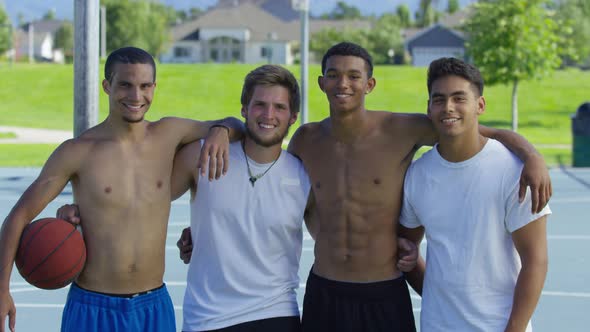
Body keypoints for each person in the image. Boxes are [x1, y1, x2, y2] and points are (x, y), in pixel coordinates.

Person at [286, 42, 552, 332]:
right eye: (334, 75)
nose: (343, 84)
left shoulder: (401, 130)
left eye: (354, 76)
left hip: (383, 293)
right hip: (326, 290)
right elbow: (264, 149)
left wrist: (531, 155)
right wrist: (227, 128)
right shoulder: (305, 140)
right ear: (321, 82)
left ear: (370, 84)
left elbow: (478, 130)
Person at [0, 46, 242, 332]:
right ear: (107, 86)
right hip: (92, 306)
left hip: (153, 305)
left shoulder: (169, 133)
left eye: (144, 86)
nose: (136, 96)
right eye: (125, 85)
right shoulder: (77, 151)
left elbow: (235, 124)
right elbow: (18, 216)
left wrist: (221, 131)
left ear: (154, 87)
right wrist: (2, 289)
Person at [171, 65, 416, 331]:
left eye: (279, 107)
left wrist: (396, 247)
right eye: (259, 105)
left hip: (275, 314)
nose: (268, 115)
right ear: (243, 109)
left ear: (293, 117)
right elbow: (150, 201)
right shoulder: (203, 156)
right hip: (207, 318)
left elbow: (334, 238)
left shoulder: (303, 174)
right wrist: (220, 127)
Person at [399, 57, 550, 331]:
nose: (448, 107)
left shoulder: (514, 171)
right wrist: (435, 297)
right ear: (429, 108)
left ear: (479, 105)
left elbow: (536, 260)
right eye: (439, 99)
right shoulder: (417, 175)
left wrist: (514, 329)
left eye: (459, 98)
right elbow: (406, 251)